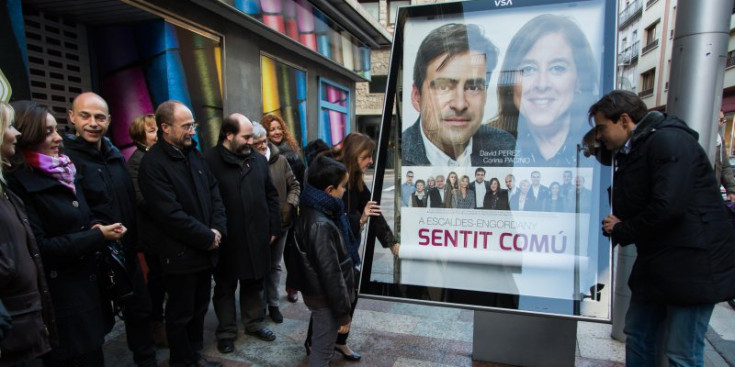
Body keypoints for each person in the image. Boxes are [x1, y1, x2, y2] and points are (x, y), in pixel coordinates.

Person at [591, 90, 735, 366]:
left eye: (601, 128)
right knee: (639, 336)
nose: (599, 136)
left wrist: (622, 229)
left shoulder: (668, 141)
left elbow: (667, 206)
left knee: (682, 353)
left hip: (693, 265)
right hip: (661, 262)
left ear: (624, 120)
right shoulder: (637, 148)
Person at [7, 100, 126, 366]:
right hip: (62, 303)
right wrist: (98, 237)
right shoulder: (18, 183)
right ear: (28, 135)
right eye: (48, 132)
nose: (58, 138)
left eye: (55, 130)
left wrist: (96, 225)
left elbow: (81, 215)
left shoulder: (65, 171)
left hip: (88, 292)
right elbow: (40, 247)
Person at [62, 92, 157, 367]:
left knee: (140, 311)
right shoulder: (67, 160)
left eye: (99, 117)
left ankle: (146, 361)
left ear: (109, 120)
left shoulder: (115, 154)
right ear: (72, 118)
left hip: (126, 251)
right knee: (96, 326)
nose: (93, 123)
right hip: (93, 256)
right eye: (85, 116)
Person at [137, 100, 227, 367]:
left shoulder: (194, 156)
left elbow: (215, 195)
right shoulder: (152, 165)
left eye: (193, 125)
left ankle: (193, 356)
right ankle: (182, 361)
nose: (192, 131)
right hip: (179, 257)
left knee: (199, 309)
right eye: (186, 126)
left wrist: (217, 229)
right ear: (165, 127)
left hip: (204, 251)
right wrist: (207, 236)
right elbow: (169, 215)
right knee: (180, 314)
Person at [304, 132, 400, 361]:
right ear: (355, 154)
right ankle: (315, 341)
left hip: (347, 244)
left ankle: (339, 341)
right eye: (367, 156)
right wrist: (360, 219)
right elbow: (329, 216)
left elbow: (372, 209)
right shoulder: (330, 173)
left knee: (349, 293)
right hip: (327, 246)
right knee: (329, 300)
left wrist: (391, 243)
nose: (371, 161)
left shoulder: (354, 178)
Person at [204, 114, 280, 354]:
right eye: (246, 137)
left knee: (254, 282)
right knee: (225, 287)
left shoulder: (257, 161)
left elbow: (271, 195)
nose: (252, 141)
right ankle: (226, 332)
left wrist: (273, 227)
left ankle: (254, 323)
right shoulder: (208, 161)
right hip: (226, 238)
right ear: (228, 135)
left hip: (257, 235)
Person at [402, 23, 515, 166]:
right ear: (417, 97)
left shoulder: (505, 145)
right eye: (443, 87)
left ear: (485, 95)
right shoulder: (400, 153)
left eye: (473, 87)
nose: (460, 104)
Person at [494, 14, 598, 167]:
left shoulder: (602, 142)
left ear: (579, 80)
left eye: (557, 68)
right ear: (511, 83)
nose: (542, 84)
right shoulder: (488, 142)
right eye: (528, 69)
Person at [288, 156, 355, 367]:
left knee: (321, 344)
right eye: (343, 186)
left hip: (320, 294)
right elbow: (330, 272)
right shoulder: (320, 224)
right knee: (322, 351)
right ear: (329, 190)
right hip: (325, 298)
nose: (345, 191)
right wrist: (344, 314)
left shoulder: (313, 208)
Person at [0, 102, 54, 366]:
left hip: (27, 323)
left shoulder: (6, 192)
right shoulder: (16, 186)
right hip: (12, 327)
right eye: (9, 126)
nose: (16, 133)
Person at [251, 122, 301, 324]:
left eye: (264, 141)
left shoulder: (280, 160)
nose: (263, 146)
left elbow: (295, 185)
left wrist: (289, 206)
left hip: (281, 223)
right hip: (257, 226)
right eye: (257, 143)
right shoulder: (247, 162)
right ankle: (257, 306)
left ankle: (273, 304)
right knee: (257, 267)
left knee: (275, 265)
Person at [126, 114, 167, 347]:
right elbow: (141, 199)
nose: (157, 135)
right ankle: (156, 324)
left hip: (164, 229)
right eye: (152, 131)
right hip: (152, 233)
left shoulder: (156, 157)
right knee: (156, 281)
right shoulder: (137, 161)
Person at [261, 114, 305, 187]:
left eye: (279, 128)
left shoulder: (292, 150)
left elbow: (301, 179)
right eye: (272, 129)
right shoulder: (263, 155)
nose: (277, 132)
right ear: (265, 133)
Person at [714, 111, 735, 202]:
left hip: (712, 192)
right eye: (721, 120)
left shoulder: (719, 140)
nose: (722, 123)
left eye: (723, 120)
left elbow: (725, 167)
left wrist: (731, 190)